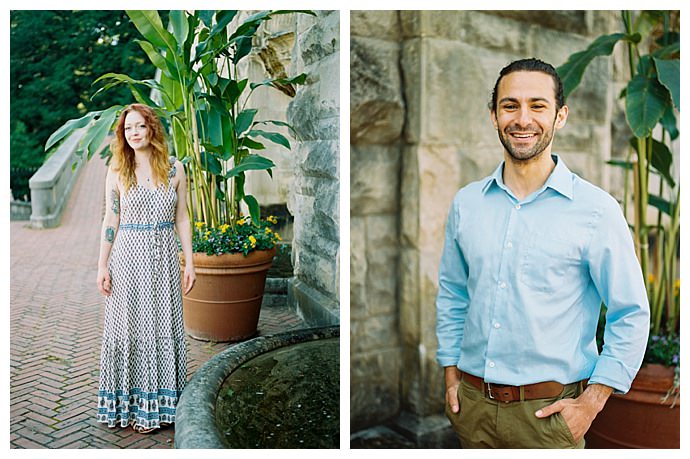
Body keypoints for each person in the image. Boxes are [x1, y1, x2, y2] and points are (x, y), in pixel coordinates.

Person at [435, 58, 650, 449]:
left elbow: (631, 313)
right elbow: (453, 294)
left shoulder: (596, 210)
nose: (522, 119)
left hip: (549, 419)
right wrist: (450, 372)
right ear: (493, 115)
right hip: (471, 410)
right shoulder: (467, 203)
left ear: (560, 116)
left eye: (537, 105)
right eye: (510, 105)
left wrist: (592, 402)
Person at [95, 103, 196, 434]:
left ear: (151, 128)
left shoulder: (175, 169)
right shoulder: (117, 170)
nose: (133, 133)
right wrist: (102, 265)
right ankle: (134, 406)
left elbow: (182, 217)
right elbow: (111, 219)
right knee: (130, 328)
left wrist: (190, 262)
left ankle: (163, 407)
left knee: (162, 326)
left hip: (164, 258)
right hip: (128, 259)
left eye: (139, 126)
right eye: (127, 129)